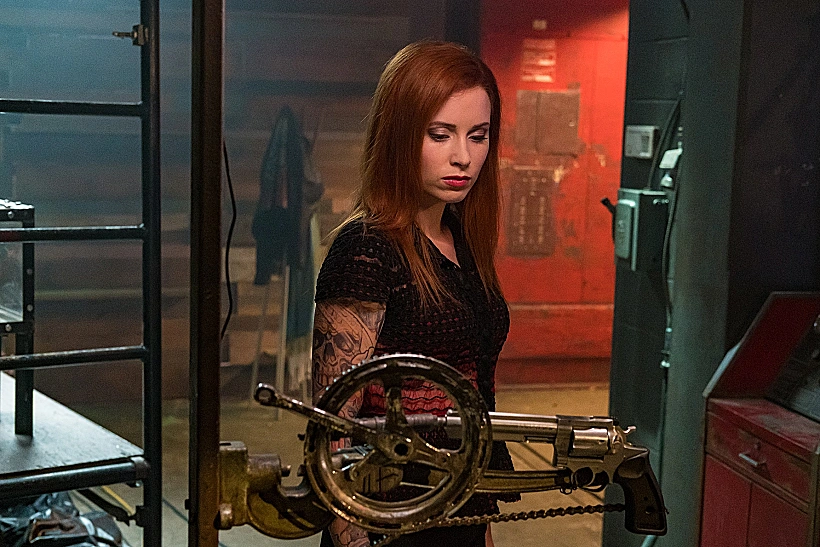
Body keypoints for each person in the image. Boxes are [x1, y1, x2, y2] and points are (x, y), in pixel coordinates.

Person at [312, 40, 517, 547]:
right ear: (400, 135)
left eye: (478, 136)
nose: (463, 157)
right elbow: (332, 430)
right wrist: (351, 538)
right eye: (440, 134)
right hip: (388, 515)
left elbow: (478, 400)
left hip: (460, 505)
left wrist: (481, 528)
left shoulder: (460, 238)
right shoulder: (366, 249)